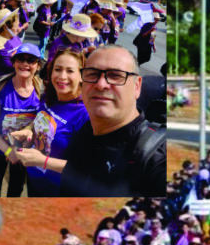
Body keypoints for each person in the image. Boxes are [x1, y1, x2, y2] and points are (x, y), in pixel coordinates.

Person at [59, 45, 166, 196]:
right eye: (92, 74)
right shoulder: (86, 130)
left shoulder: (157, 159)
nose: (101, 84)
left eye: (116, 75)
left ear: (137, 86)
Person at [11, 49, 90, 196]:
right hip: (34, 179)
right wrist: (30, 130)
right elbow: (41, 120)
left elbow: (87, 169)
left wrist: (43, 161)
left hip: (56, 190)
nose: (62, 76)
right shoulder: (49, 96)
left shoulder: (86, 115)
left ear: (82, 76)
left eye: (70, 71)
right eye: (58, 69)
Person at [0, 42, 43, 197]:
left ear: (38, 66)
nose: (25, 64)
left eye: (31, 60)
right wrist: (8, 150)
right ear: (13, 63)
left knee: (16, 189)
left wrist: (19, 151)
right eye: (20, 59)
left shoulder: (42, 91)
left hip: (24, 152)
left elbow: (42, 122)